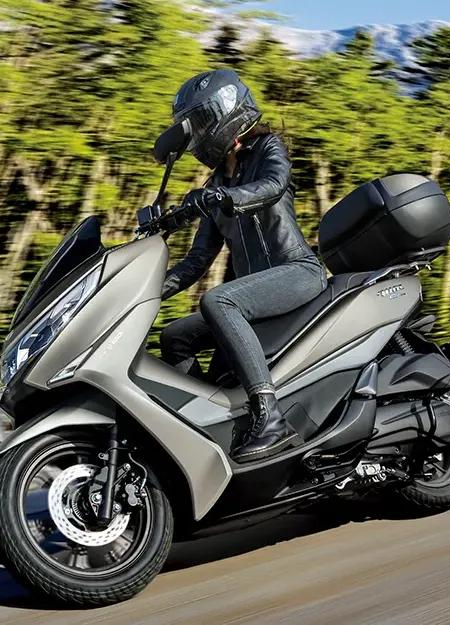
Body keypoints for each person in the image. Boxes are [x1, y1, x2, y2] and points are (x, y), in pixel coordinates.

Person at [160, 69, 327, 462]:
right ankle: (205, 422)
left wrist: (223, 197)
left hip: (297, 272)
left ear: (226, 114)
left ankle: (271, 419)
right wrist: (146, 292)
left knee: (218, 301)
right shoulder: (216, 183)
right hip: (254, 292)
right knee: (174, 336)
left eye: (201, 122)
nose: (197, 135)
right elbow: (198, 260)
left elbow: (272, 186)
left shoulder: (267, 148)